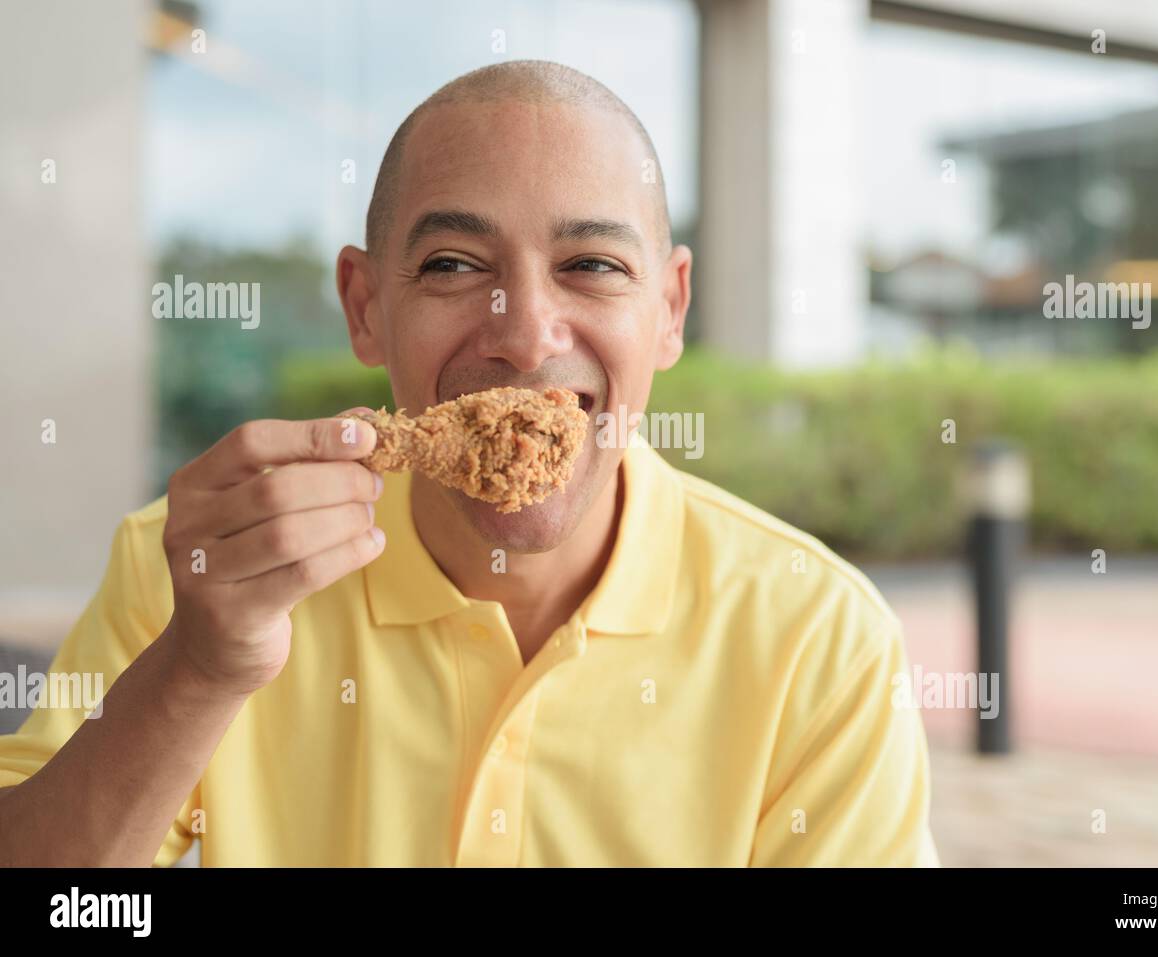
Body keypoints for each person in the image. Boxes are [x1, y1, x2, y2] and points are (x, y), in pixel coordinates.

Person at [0, 60, 939, 867]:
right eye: (454, 264)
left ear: (669, 310)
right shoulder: (200, 572)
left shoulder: (820, 638)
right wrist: (198, 670)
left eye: (592, 265)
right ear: (366, 307)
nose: (525, 335)